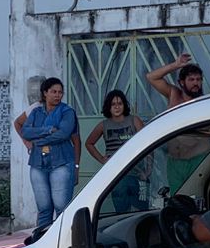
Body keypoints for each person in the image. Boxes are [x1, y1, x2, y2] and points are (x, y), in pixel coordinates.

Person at [14, 77, 80, 228]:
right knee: (44, 209)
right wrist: (47, 130)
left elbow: (63, 134)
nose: (57, 95)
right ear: (45, 93)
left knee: (61, 207)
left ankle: (60, 243)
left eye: (60, 92)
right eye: (53, 92)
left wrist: (39, 141)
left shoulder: (67, 111)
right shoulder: (36, 111)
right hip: (38, 163)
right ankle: (42, 243)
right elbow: (26, 131)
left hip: (61, 163)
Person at [144, 53, 210, 194]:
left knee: (197, 198)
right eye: (191, 79)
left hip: (197, 159)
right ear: (181, 82)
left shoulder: (204, 102)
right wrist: (176, 65)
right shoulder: (174, 94)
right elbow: (151, 77)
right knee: (177, 200)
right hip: (175, 162)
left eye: (198, 79)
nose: (196, 83)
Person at [86, 89, 145, 212]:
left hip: (137, 173)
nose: (117, 107)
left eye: (120, 103)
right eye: (113, 104)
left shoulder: (134, 120)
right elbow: (89, 143)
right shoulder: (104, 125)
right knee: (121, 211)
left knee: (142, 210)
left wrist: (148, 170)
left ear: (124, 105)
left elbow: (147, 141)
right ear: (108, 107)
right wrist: (102, 159)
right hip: (116, 174)